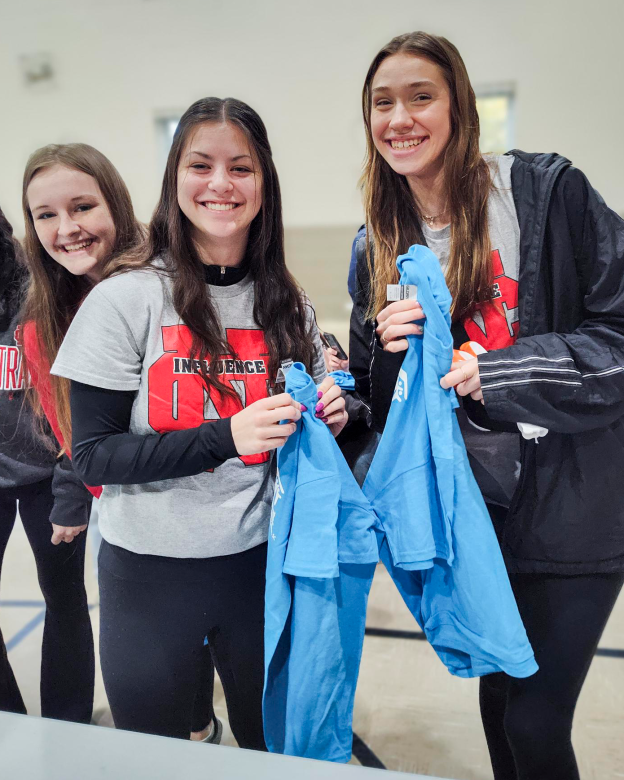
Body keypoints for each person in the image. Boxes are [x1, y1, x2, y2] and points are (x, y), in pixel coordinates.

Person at [347, 31, 624, 780]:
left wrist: (495, 372)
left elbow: (617, 336)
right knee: (500, 705)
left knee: (536, 722)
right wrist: (379, 352)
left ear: (460, 105)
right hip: (474, 517)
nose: (399, 117)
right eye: (382, 102)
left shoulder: (545, 193)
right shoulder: (374, 243)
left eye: (420, 96)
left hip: (576, 509)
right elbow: (381, 413)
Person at [50, 97, 347, 745]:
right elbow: (93, 457)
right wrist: (227, 438)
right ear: (174, 179)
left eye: (241, 167)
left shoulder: (286, 301)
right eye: (200, 164)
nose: (220, 183)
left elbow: (311, 423)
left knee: (268, 743)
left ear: (264, 183)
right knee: (156, 752)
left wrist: (336, 413)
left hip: (257, 564)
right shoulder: (125, 297)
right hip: (147, 575)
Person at [20, 143, 219, 741]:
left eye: (82, 206)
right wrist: (79, 497)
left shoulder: (177, 277)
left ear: (117, 201)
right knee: (153, 686)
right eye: (46, 215)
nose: (67, 229)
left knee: (198, 673)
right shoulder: (43, 324)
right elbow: (77, 440)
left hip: (215, 506)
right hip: (129, 515)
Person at [0, 204, 93, 722]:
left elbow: (80, 405)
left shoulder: (42, 293)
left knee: (64, 601)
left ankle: (68, 726)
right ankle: (8, 719)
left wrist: (72, 492)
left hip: (49, 476)